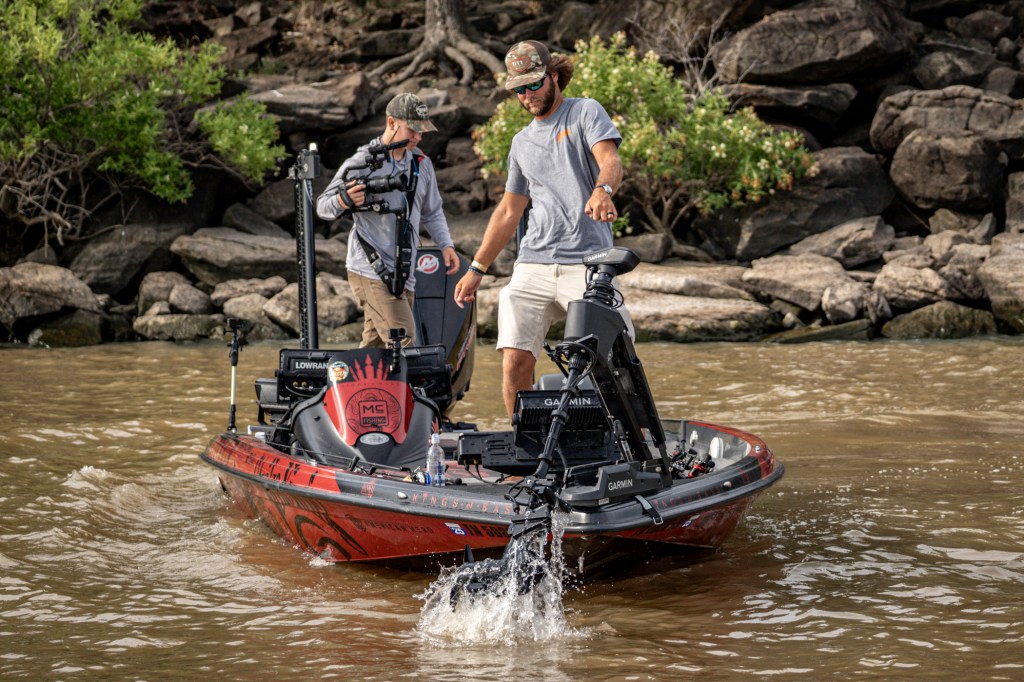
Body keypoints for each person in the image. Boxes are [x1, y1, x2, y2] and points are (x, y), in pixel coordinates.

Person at [453, 40, 633, 417]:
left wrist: (602, 191)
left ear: (553, 76)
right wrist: (476, 269)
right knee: (514, 362)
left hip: (587, 265)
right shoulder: (521, 143)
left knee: (616, 359)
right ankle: (524, 439)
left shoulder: (584, 112)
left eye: (533, 84)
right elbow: (509, 211)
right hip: (532, 264)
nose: (527, 95)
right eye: (519, 89)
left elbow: (610, 160)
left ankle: (636, 437)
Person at [317, 93, 459, 348]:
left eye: (421, 131)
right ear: (391, 122)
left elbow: (433, 212)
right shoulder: (362, 162)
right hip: (370, 268)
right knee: (403, 340)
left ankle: (346, 376)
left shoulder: (422, 164)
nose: (418, 137)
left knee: (375, 350)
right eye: (412, 129)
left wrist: (446, 245)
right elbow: (323, 207)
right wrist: (344, 199)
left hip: (404, 272)